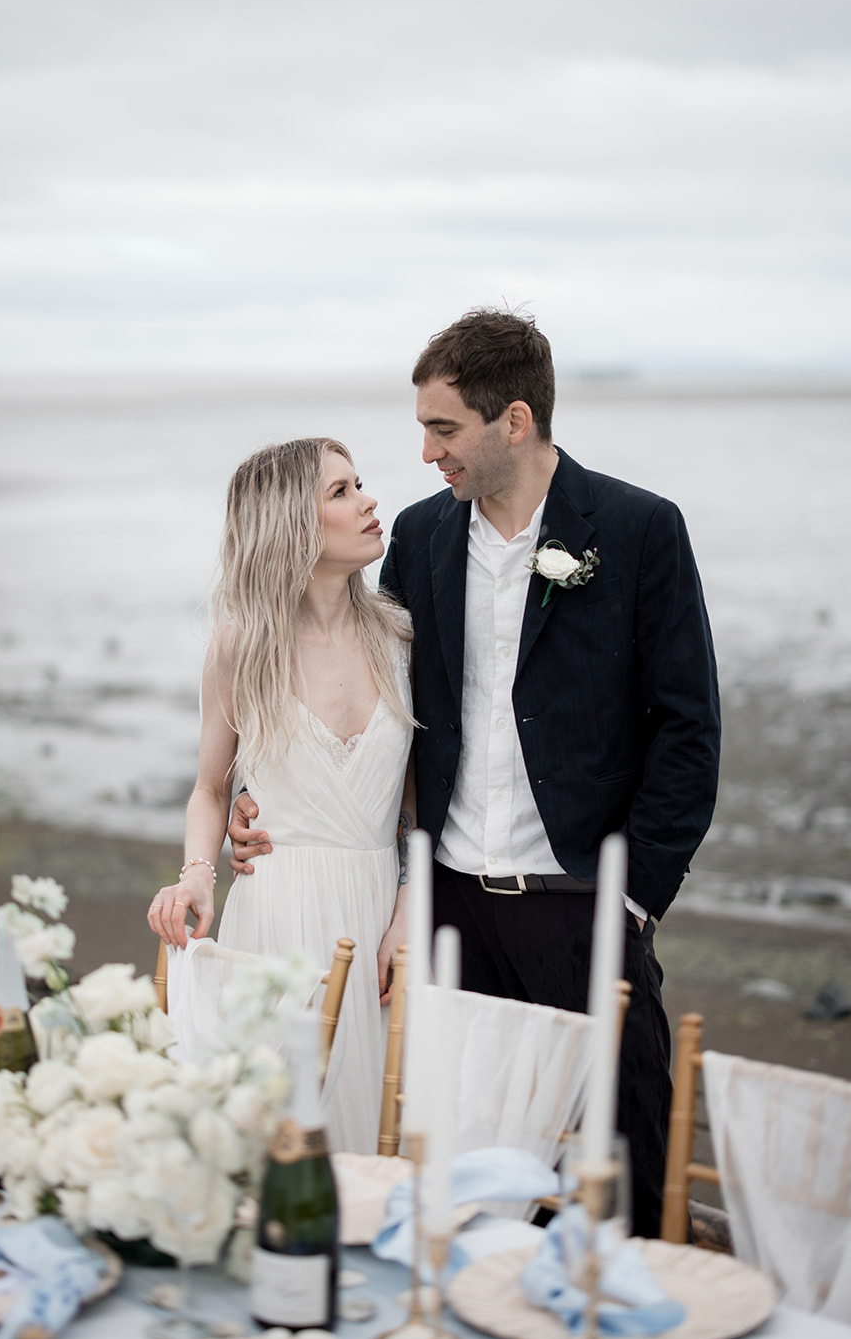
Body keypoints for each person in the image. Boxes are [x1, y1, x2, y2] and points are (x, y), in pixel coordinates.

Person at [231, 311, 720, 1237]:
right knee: (466, 1177)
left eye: (443, 429)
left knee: (624, 1171)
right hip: (447, 910)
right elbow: (366, 700)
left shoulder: (637, 527)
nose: (424, 453)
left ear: (515, 421)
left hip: (582, 904)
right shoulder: (418, 539)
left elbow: (689, 731)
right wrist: (260, 791)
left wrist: (633, 898)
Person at [147, 438, 414, 1154]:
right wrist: (197, 876)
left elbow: (420, 808)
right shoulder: (241, 647)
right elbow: (210, 789)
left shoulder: (400, 637)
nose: (367, 501)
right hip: (274, 920)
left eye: (359, 484)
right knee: (266, 1141)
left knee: (370, 1138)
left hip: (376, 920)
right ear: (290, 523)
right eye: (340, 491)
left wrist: (406, 911)